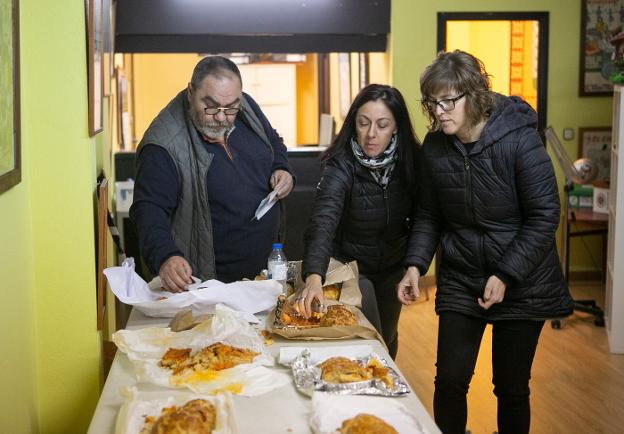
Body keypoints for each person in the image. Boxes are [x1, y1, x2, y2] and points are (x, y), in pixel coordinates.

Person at [396, 50, 573, 434]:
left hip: (523, 282)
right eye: (432, 102)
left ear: (473, 95)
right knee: (449, 382)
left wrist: (507, 274)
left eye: (448, 101)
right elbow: (429, 214)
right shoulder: (435, 148)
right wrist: (414, 265)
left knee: (510, 388)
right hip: (462, 276)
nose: (439, 111)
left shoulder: (521, 142)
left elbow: (544, 216)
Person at [130, 56, 294, 291]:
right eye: (211, 106)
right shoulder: (163, 145)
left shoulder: (243, 104)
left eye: (230, 109)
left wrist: (282, 168)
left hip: (262, 276)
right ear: (190, 92)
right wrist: (166, 257)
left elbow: (273, 140)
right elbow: (149, 210)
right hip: (211, 287)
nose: (220, 117)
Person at [295, 84, 420, 358]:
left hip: (391, 266)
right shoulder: (341, 164)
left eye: (382, 125)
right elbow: (323, 221)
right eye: (363, 123)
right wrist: (314, 277)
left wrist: (414, 265)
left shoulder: (411, 161)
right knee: (364, 336)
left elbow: (424, 218)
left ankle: (384, 390)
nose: (371, 134)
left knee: (386, 337)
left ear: (396, 127)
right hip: (350, 266)